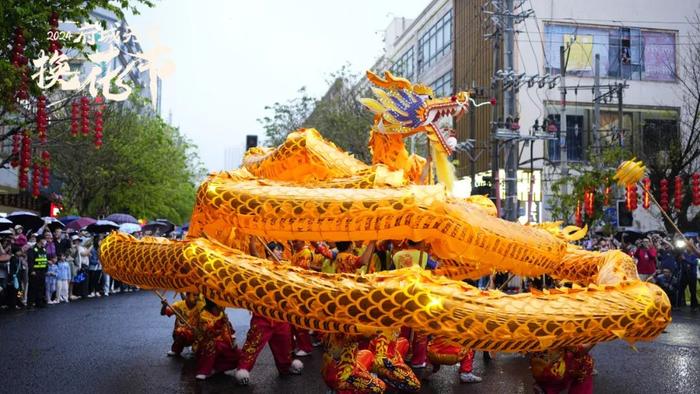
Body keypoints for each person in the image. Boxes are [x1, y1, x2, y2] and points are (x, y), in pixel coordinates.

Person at [236, 239, 303, 385]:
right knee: (253, 344)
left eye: (281, 249)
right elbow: (253, 253)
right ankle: (243, 370)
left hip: (280, 315)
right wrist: (251, 236)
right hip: (263, 315)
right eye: (278, 249)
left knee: (284, 345)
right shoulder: (262, 265)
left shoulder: (285, 266)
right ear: (269, 251)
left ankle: (285, 368)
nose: (280, 252)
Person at [193, 298, 240, 380]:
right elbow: (207, 334)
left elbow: (228, 332)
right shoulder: (203, 315)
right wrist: (220, 324)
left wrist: (232, 340)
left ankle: (216, 368)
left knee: (240, 355)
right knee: (213, 344)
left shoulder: (222, 314)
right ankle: (203, 371)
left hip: (222, 344)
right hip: (206, 346)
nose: (223, 307)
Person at [161, 292, 204, 357]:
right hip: (181, 333)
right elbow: (163, 313)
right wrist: (164, 306)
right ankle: (176, 350)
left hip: (196, 334)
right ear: (187, 295)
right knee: (181, 332)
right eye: (194, 295)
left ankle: (195, 347)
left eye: (198, 295)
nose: (197, 298)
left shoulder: (201, 306)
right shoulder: (178, 305)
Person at [677, 237, 699, 309]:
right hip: (684, 274)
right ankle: (678, 305)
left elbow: (694, 263)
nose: (687, 248)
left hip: (692, 275)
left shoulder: (695, 254)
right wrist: (681, 258)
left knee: (692, 291)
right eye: (687, 246)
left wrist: (685, 259)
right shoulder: (684, 253)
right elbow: (680, 259)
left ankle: (694, 306)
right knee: (680, 289)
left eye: (689, 246)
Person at [27, 236, 48, 308]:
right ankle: (30, 303)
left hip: (42, 271)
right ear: (40, 240)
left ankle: (39, 303)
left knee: (41, 287)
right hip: (35, 271)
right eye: (44, 239)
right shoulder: (33, 249)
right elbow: (30, 261)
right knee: (33, 288)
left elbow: (45, 259)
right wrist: (32, 270)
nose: (45, 241)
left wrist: (46, 269)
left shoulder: (44, 249)